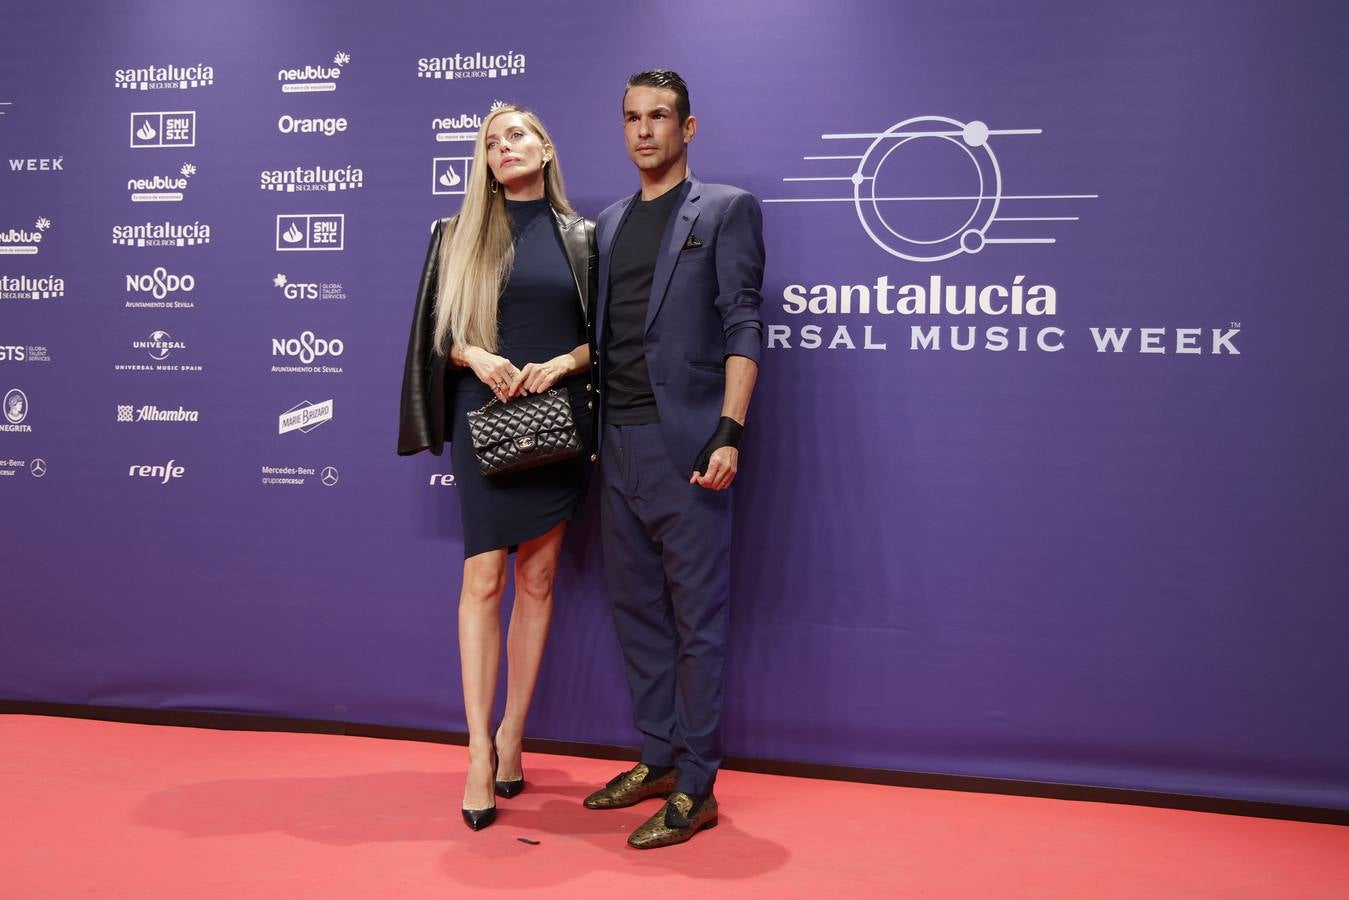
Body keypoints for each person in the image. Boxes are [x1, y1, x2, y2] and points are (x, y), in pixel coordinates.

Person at [397, 104, 597, 831]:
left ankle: (515, 734)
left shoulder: (582, 237)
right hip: (485, 418)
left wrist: (562, 364)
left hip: (556, 418)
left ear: (543, 148)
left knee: (538, 579)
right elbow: (434, 333)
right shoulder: (454, 236)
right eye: (490, 142)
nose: (502, 147)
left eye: (516, 135)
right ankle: (479, 751)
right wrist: (475, 355)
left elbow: (600, 340)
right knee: (483, 579)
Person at [582, 70, 764, 849]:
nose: (644, 130)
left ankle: (696, 785)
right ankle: (655, 759)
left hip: (685, 446)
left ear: (688, 128)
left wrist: (728, 430)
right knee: (636, 616)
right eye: (632, 117)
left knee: (697, 623)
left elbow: (742, 325)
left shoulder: (725, 209)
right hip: (611, 444)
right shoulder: (609, 222)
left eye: (659, 116)